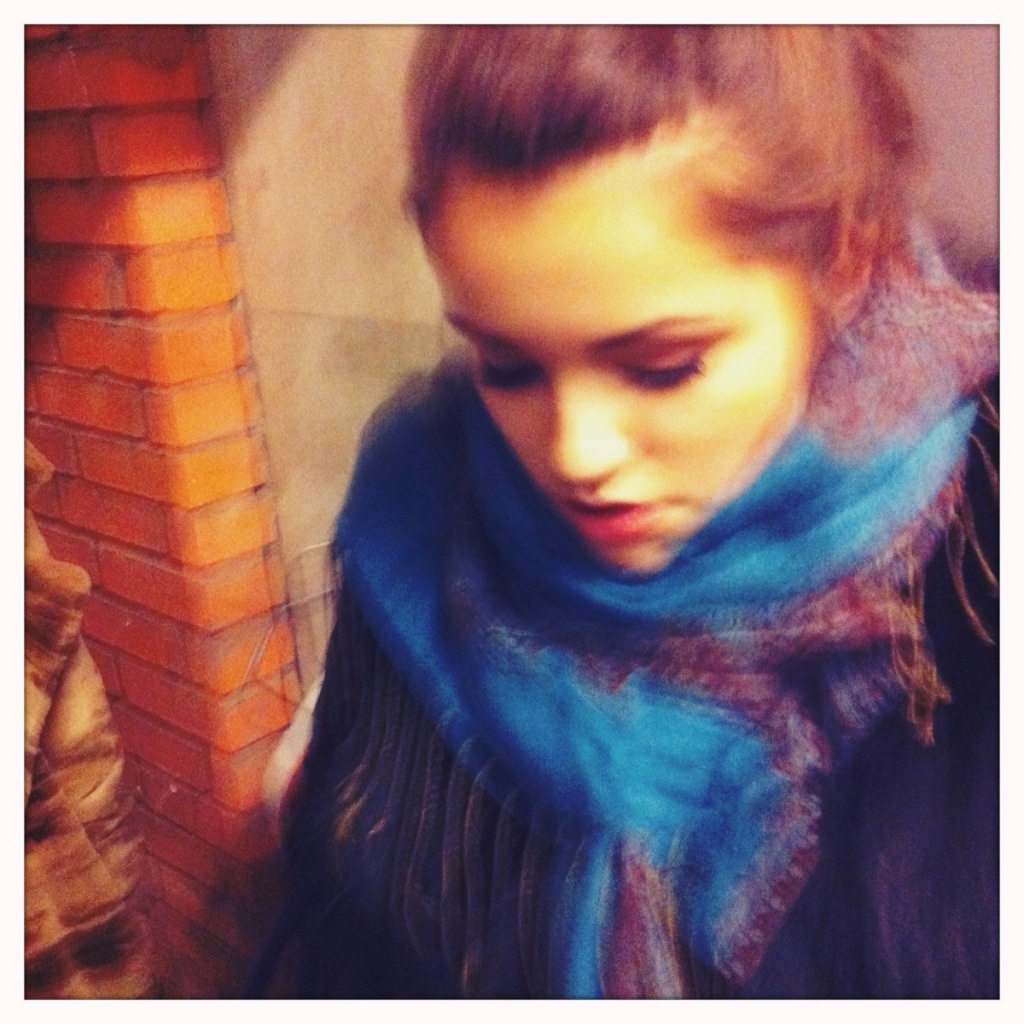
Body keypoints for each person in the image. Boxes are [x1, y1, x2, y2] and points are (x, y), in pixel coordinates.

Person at [276, 26, 998, 997]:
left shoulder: (978, 564)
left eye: (662, 368)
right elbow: (344, 921)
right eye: (506, 365)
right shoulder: (413, 513)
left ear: (843, 262)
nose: (577, 454)